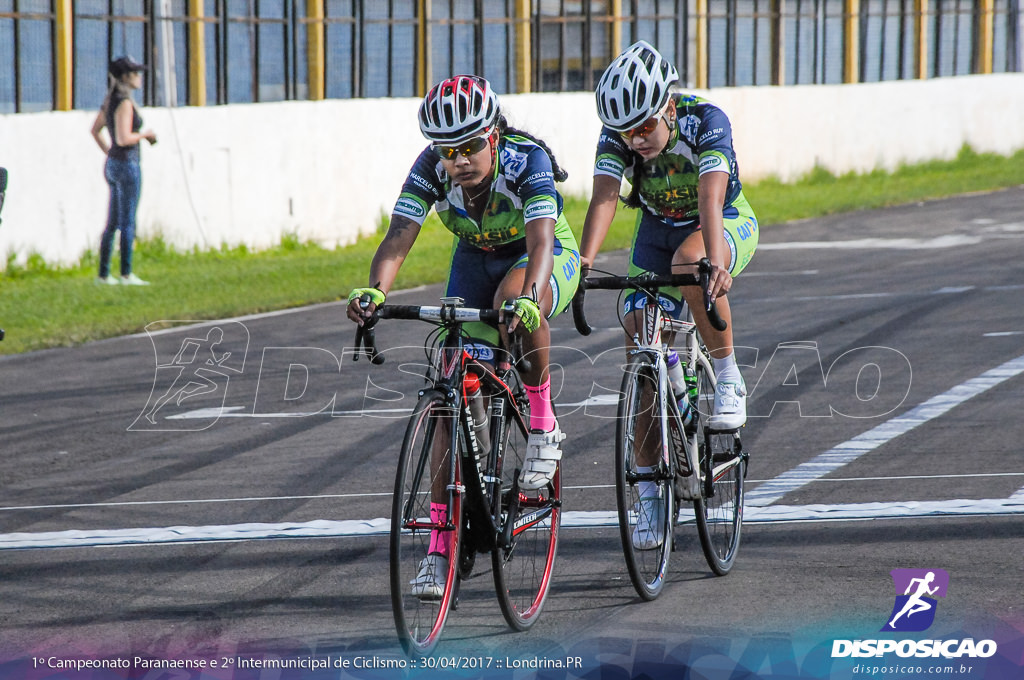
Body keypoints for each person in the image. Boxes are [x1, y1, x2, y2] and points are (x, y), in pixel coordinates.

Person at [346, 75, 580, 598]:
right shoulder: (431, 168)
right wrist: (375, 291)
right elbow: (399, 235)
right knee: (451, 393)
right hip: (475, 259)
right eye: (448, 151)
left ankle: (542, 422)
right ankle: (440, 544)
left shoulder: (526, 161)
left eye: (471, 146)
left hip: (538, 255)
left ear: (493, 136)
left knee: (513, 306)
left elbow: (542, 238)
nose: (460, 160)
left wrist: (531, 293)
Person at [579, 41, 759, 548]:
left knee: (689, 265)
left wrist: (715, 263)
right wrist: (585, 262)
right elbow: (605, 198)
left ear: (668, 106)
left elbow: (710, 197)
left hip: (721, 222)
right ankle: (651, 493)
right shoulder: (618, 137)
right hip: (656, 232)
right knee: (641, 342)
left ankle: (727, 376)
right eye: (624, 131)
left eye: (643, 127)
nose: (634, 139)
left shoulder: (707, 122)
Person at [90, 55, 157, 285]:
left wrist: (108, 153)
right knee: (127, 221)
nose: (139, 78)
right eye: (135, 73)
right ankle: (126, 273)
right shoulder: (124, 102)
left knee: (112, 221)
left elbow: (95, 130)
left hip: (112, 165)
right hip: (127, 163)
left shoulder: (110, 100)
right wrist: (145, 135)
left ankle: (103, 273)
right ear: (126, 77)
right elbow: (123, 137)